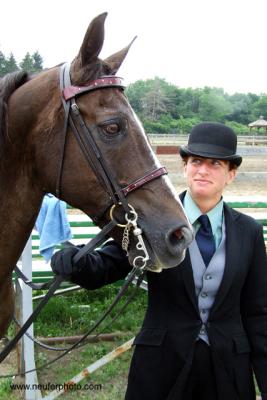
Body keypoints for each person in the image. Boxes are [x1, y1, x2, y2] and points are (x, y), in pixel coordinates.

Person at [51, 122, 267, 400]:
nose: (203, 170)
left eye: (215, 164)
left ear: (231, 174)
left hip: (227, 371)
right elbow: (107, 265)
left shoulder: (248, 231)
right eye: (196, 161)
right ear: (184, 167)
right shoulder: (152, 220)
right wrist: (77, 262)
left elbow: (258, 313)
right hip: (161, 366)